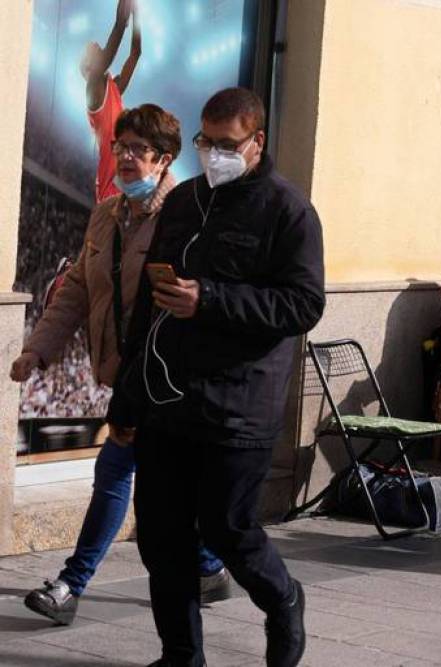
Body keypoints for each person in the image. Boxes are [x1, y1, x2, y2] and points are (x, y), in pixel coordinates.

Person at [108, 87, 324, 667]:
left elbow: (302, 305)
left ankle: (285, 602)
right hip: (167, 401)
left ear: (257, 142)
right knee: (161, 538)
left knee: (228, 530)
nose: (213, 154)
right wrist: (127, 400)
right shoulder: (183, 204)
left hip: (239, 403)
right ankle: (181, 656)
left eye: (226, 144)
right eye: (205, 142)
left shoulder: (289, 211)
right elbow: (149, 308)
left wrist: (211, 299)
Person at [10, 104, 230, 626]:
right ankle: (209, 567)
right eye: (120, 147)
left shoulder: (185, 214)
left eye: (138, 150)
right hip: (126, 372)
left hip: (167, 378)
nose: (126, 158)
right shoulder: (106, 214)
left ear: (164, 158)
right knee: (154, 484)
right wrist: (36, 349)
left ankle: (72, 584)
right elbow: (79, 289)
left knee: (115, 471)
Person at [82, 0, 141, 201]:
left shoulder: (112, 87)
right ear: (89, 67)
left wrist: (137, 16)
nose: (97, 45)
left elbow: (135, 54)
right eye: (93, 49)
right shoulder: (92, 87)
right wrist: (123, 15)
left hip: (122, 183)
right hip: (109, 189)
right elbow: (117, 29)